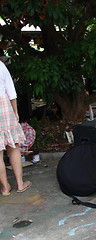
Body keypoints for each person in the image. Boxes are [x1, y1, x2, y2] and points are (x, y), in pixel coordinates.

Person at [0, 61, 32, 196]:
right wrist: (15, 112)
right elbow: (11, 92)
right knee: (14, 146)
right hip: (3, 105)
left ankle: (6, 187)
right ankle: (20, 183)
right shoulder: (0, 65)